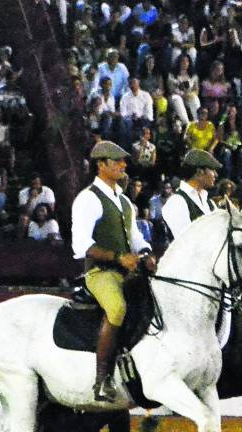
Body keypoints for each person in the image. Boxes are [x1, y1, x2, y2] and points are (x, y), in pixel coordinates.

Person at [70, 141, 155, 402]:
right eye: (117, 161)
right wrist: (118, 257)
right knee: (117, 308)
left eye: (123, 161)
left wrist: (146, 253)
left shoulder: (126, 202)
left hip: (128, 271)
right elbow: (81, 244)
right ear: (101, 165)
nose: (123, 165)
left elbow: (135, 236)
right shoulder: (88, 198)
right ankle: (102, 379)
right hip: (100, 273)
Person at [161, 149, 222, 239]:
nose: (216, 175)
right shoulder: (177, 202)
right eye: (212, 169)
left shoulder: (210, 204)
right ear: (199, 172)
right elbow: (185, 240)